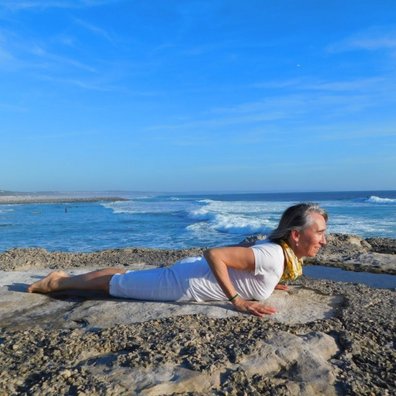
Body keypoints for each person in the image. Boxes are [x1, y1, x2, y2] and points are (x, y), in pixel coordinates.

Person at [28, 202, 327, 317]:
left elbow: (251, 268)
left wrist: (269, 285)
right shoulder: (272, 256)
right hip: (181, 284)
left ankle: (65, 277)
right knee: (117, 284)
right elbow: (215, 254)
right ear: (296, 236)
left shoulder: (279, 258)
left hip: (189, 273)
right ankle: (58, 282)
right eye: (321, 233)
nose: (325, 240)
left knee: (126, 275)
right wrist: (237, 300)